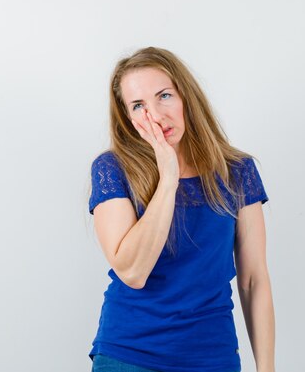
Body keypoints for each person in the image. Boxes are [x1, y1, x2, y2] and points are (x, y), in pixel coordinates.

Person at [87, 47, 275, 372]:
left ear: (185, 96)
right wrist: (168, 177)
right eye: (138, 105)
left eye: (164, 96)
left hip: (213, 356)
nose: (156, 115)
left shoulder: (237, 171)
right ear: (128, 119)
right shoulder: (113, 169)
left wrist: (267, 369)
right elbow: (132, 272)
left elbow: (253, 280)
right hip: (130, 354)